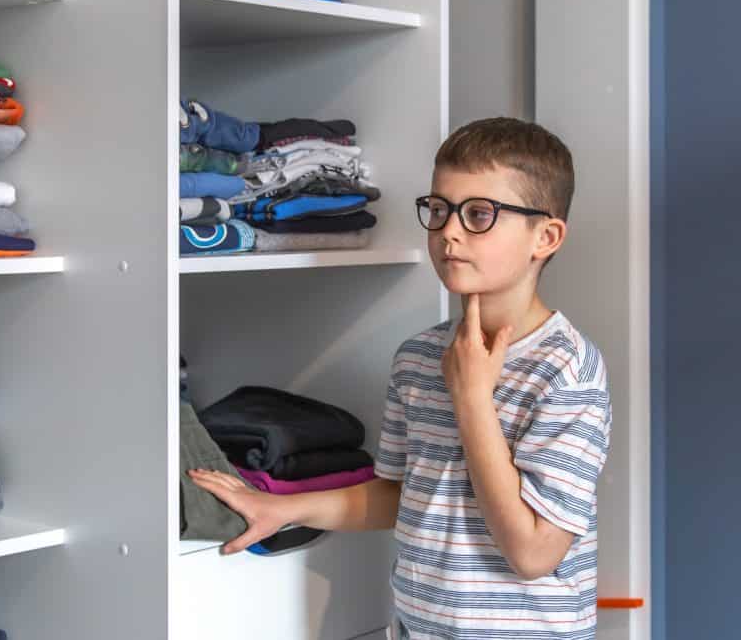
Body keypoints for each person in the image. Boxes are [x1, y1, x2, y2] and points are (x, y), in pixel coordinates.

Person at [189, 117, 612, 639]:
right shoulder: (418, 358)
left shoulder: (568, 370)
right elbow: (402, 494)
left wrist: (474, 399)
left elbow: (533, 553)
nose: (449, 231)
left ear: (545, 236)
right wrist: (281, 508)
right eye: (438, 209)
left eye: (479, 214)